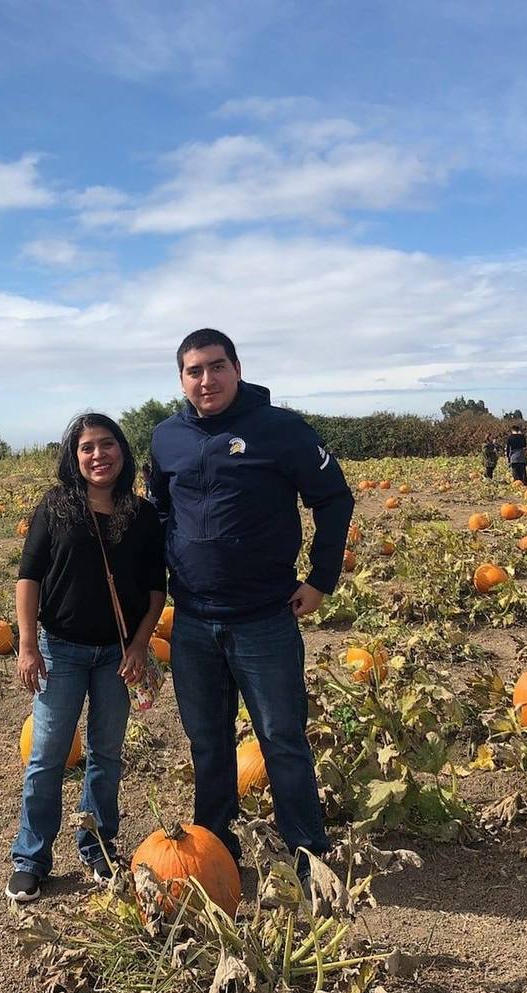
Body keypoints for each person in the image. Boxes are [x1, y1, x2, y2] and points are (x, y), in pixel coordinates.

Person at [149, 328, 354, 883]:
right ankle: (217, 851)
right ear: (182, 379)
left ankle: (308, 854)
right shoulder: (166, 438)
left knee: (281, 738)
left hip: (264, 617)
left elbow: (334, 498)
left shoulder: (281, 429)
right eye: (194, 370)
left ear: (237, 368)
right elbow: (160, 513)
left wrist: (322, 580)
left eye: (216, 366)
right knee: (208, 742)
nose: (206, 379)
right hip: (192, 619)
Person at [6, 413, 166, 904]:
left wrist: (140, 644)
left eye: (108, 444)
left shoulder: (141, 516)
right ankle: (31, 858)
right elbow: (29, 577)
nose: (99, 455)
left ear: (123, 450)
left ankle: (97, 846)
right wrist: (28, 645)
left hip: (117, 656)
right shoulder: (55, 507)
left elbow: (157, 591)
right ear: (74, 457)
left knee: (106, 753)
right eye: (87, 448)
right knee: (47, 755)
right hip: (62, 650)